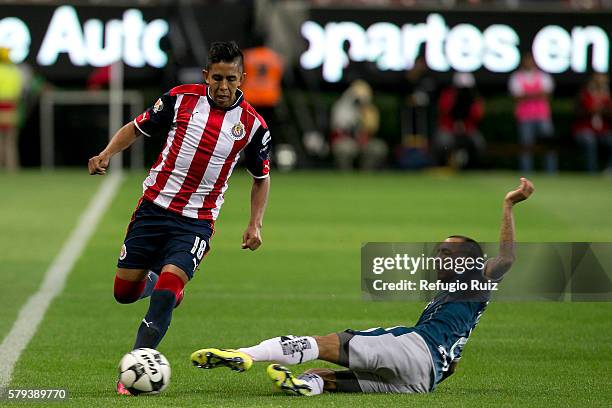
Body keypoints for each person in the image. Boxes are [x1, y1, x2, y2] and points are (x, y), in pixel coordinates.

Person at [190, 178, 535, 396]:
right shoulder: (456, 300)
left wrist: (508, 204)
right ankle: (304, 386)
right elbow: (454, 362)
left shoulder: (474, 282)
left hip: (416, 349)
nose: (437, 257)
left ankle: (244, 354)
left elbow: (505, 259)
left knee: (327, 344)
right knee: (328, 377)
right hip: (422, 382)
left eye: (446, 252)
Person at [87, 41, 271, 395]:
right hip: (153, 209)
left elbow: (261, 178)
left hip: (196, 222)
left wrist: (255, 223)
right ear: (206, 75)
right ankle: (159, 284)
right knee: (124, 293)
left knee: (170, 289)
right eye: (216, 78)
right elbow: (136, 128)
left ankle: (139, 364)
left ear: (242, 78)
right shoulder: (179, 99)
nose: (222, 86)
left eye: (230, 79)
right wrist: (106, 153)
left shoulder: (253, 126)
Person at [509, 53, 556, 173]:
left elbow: (547, 94)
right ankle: (526, 172)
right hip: (524, 116)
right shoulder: (516, 77)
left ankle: (551, 171)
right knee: (526, 146)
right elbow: (517, 96)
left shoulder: (543, 76)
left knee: (548, 144)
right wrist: (537, 94)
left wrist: (527, 95)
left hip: (542, 115)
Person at [330, 80, 388, 170]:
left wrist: (365, 118)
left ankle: (366, 174)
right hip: (346, 140)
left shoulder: (369, 109)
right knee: (345, 149)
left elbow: (371, 130)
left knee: (378, 147)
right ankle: (345, 176)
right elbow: (339, 129)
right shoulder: (341, 108)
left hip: (363, 141)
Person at [432, 72, 485, 169]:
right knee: (443, 141)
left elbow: (478, 115)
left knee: (478, 142)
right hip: (449, 128)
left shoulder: (474, 97)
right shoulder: (448, 95)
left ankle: (473, 167)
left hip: (468, 129)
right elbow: (443, 110)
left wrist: (464, 124)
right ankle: (442, 166)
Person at [573, 73, 612, 173]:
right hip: (584, 128)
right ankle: (591, 171)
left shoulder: (607, 95)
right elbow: (579, 111)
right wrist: (591, 110)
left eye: (602, 80)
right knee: (589, 140)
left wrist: (602, 110)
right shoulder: (584, 93)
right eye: (597, 80)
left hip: (603, 129)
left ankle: (609, 169)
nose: (600, 82)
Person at [0, 47, 24, 171]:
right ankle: (12, 168)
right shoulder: (14, 71)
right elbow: (19, 93)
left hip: (2, 108)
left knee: (3, 141)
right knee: (10, 142)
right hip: (11, 109)